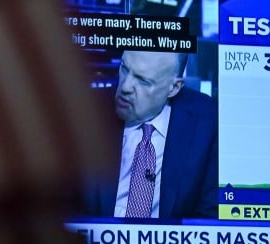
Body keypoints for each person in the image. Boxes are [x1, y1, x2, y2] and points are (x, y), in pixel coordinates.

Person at [76, 49, 219, 219]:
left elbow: (210, 220)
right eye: (124, 68)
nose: (125, 87)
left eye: (143, 81)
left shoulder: (207, 121)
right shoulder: (85, 110)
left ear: (173, 87)